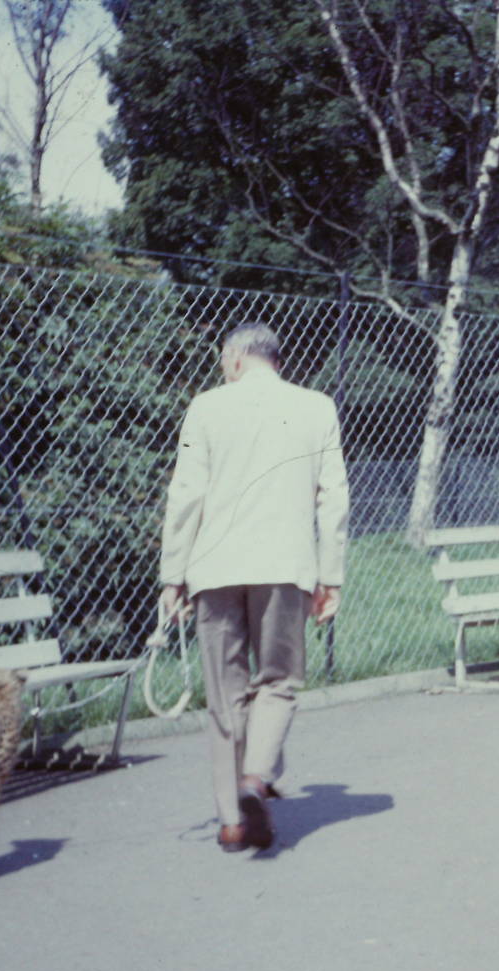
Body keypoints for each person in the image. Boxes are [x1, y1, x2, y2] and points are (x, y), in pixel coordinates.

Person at [159, 323, 350, 852]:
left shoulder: (205, 407)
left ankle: (231, 822)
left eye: (224, 359)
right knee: (279, 682)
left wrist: (172, 576)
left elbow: (186, 494)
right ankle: (256, 778)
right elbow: (332, 500)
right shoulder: (318, 407)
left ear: (237, 357)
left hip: (214, 569)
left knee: (226, 694)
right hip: (285, 567)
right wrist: (330, 575)